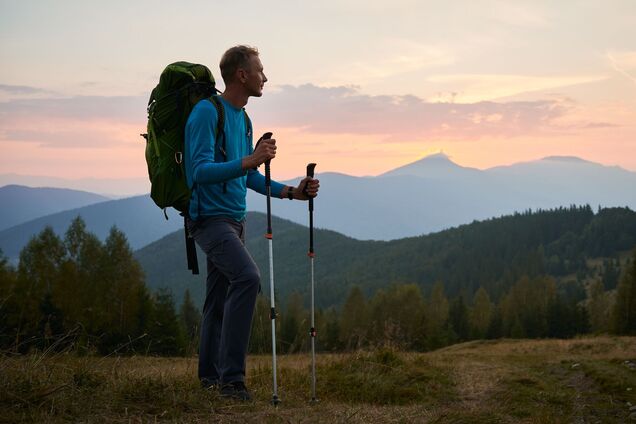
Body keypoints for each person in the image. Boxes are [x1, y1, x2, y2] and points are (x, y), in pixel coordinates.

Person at [184, 45, 319, 401]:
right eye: (260, 70)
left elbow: (248, 177)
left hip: (235, 221)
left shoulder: (243, 120)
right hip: (209, 220)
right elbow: (198, 172)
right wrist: (250, 159)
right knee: (248, 278)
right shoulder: (205, 113)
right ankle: (232, 381)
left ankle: (210, 380)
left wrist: (293, 192)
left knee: (217, 302)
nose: (265, 77)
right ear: (242, 74)